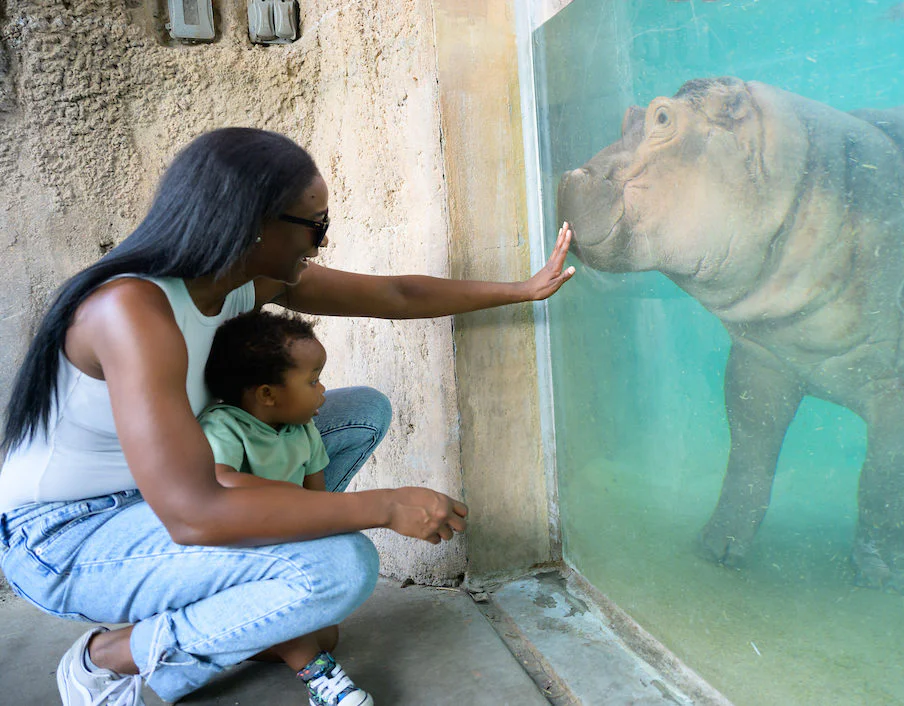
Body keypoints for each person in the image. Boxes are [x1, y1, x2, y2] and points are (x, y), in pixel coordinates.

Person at [0, 127, 575, 706]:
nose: (321, 243)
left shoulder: (236, 284)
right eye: (315, 225)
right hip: (65, 538)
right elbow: (193, 513)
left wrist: (522, 291)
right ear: (251, 222)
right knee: (338, 569)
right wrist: (384, 505)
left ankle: (240, 604)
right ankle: (109, 660)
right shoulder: (132, 310)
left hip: (164, 498)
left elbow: (397, 294)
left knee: (356, 415)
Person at [198, 309, 370, 705]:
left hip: (284, 544)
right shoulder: (225, 425)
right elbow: (218, 478)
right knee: (308, 640)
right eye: (312, 381)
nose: (323, 390)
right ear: (267, 394)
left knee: (328, 634)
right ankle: (322, 680)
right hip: (233, 552)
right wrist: (283, 499)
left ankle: (220, 642)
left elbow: (318, 502)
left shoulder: (303, 431)